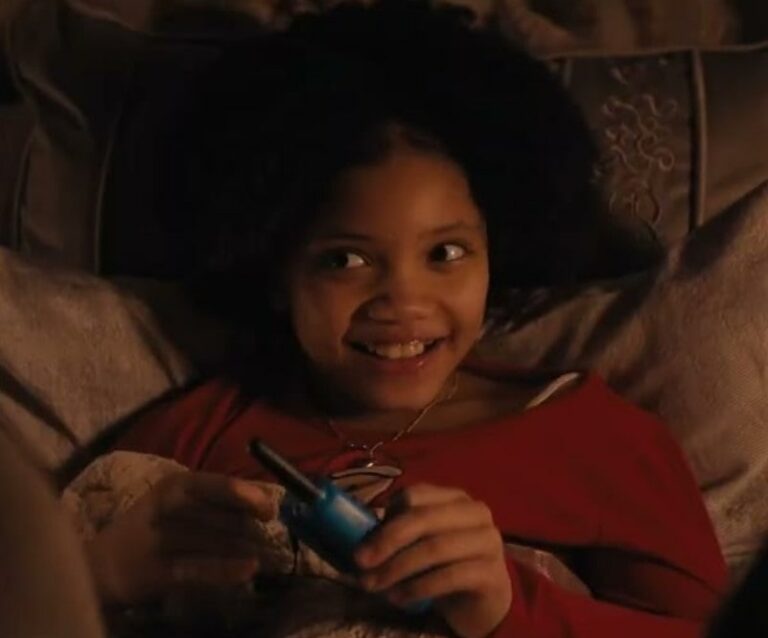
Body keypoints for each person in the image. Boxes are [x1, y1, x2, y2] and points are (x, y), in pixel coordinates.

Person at [81, 1, 728, 636]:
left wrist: (506, 609)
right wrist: (105, 574)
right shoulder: (195, 433)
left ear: (496, 252)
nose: (404, 302)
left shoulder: (602, 441)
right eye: (346, 260)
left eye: (446, 254)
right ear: (275, 271)